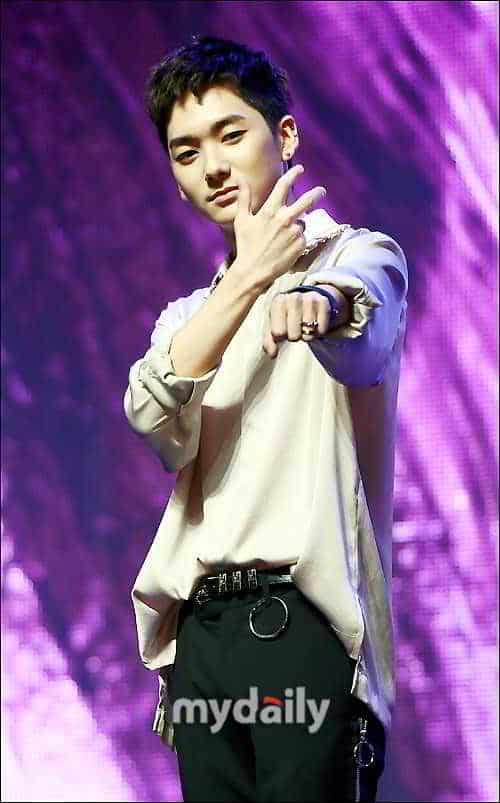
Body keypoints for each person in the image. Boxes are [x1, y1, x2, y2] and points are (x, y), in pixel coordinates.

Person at [124, 34, 408, 803]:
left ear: (284, 136)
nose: (212, 166)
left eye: (230, 135)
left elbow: (360, 314)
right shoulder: (187, 316)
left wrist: (317, 302)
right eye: (186, 153)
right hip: (201, 642)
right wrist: (246, 282)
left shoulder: (357, 255)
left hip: (302, 625)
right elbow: (150, 413)